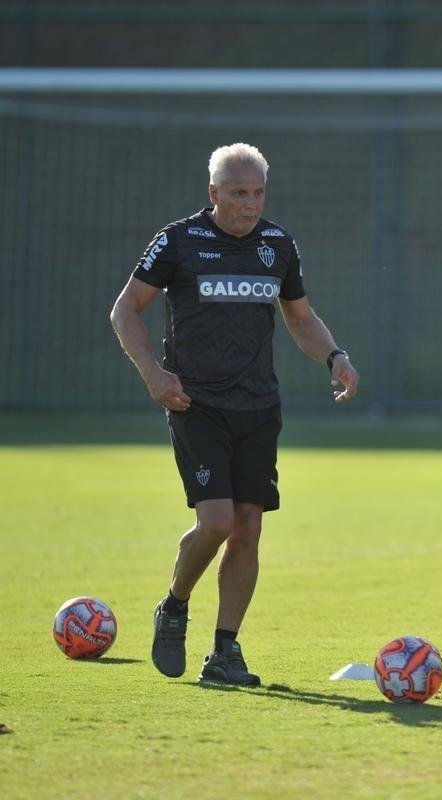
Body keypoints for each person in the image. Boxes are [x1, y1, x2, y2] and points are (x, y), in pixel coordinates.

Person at [110, 143, 359, 687]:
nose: (250, 204)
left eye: (258, 193)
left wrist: (335, 356)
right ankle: (174, 606)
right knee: (217, 521)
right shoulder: (178, 241)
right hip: (196, 403)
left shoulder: (278, 244)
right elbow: (125, 309)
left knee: (248, 526)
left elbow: (300, 318)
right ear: (214, 193)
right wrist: (153, 374)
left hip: (259, 407)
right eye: (238, 193)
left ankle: (224, 652)